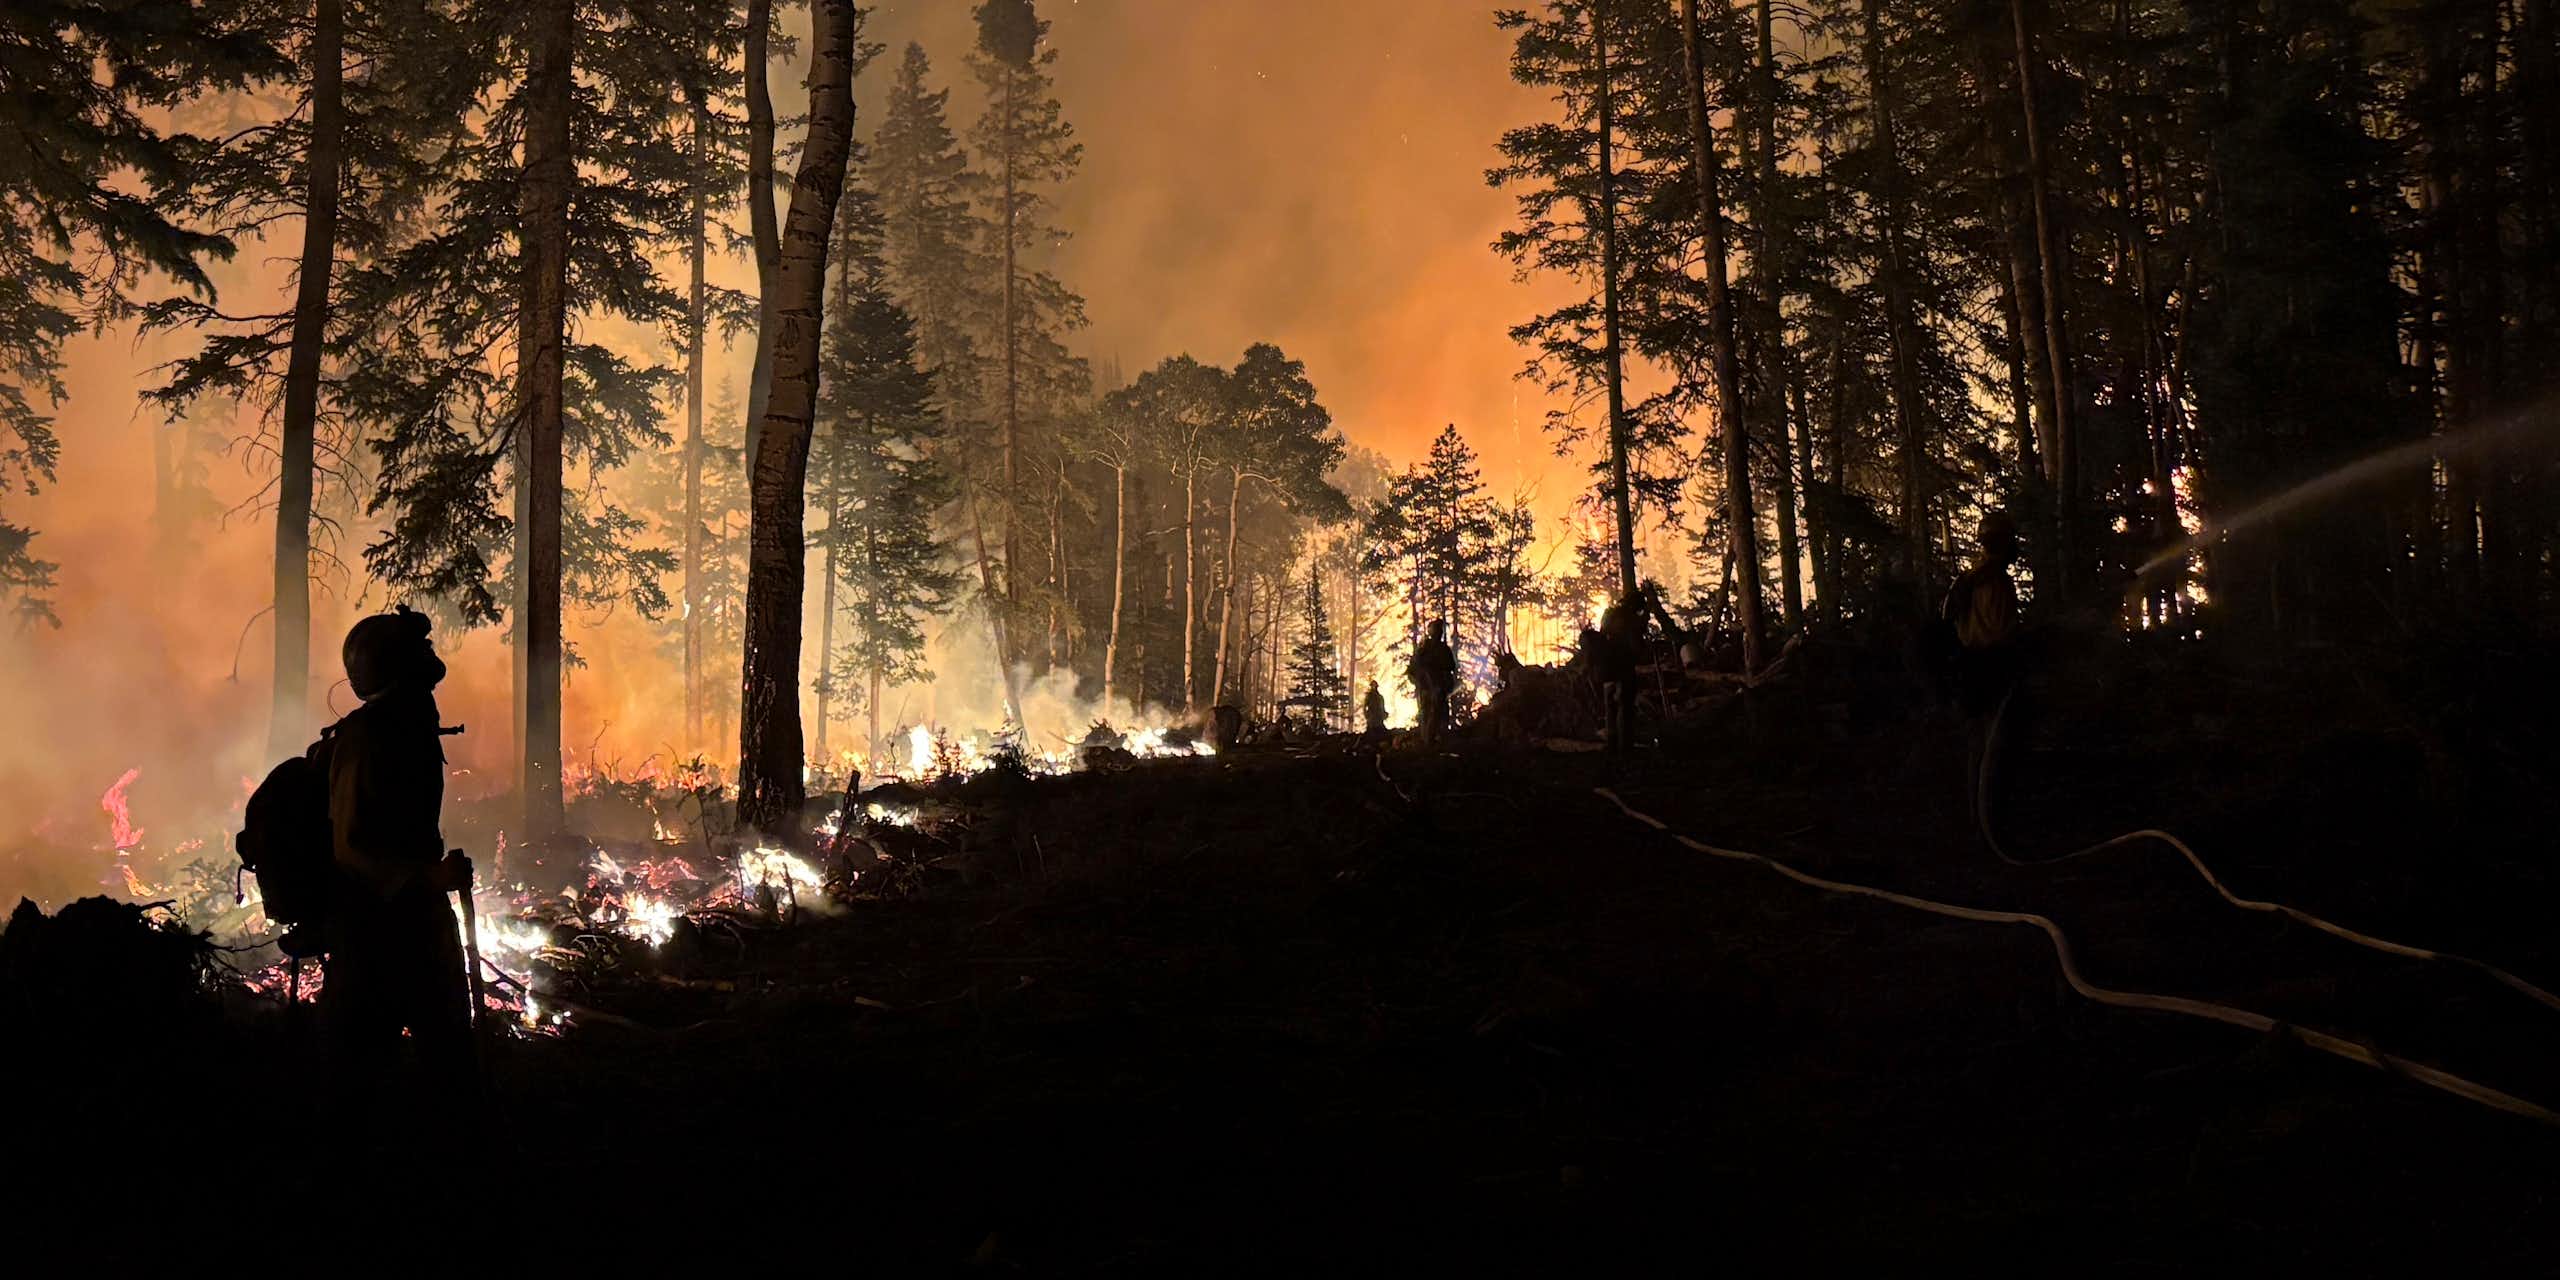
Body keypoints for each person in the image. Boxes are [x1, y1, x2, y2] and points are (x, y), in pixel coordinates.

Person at [322, 606, 476, 1121]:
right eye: (418, 648)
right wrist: (427, 877)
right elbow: (351, 847)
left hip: (416, 919)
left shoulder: (409, 724)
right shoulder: (367, 738)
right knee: (361, 1078)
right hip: (374, 932)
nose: (430, 654)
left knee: (448, 1061)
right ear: (396, 666)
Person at [1596, 588, 1648, 755]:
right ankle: (1624, 747)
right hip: (1624, 668)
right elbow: (1636, 646)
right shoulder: (1631, 620)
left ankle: (1611, 745)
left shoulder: (1610, 615)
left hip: (1606, 668)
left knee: (1610, 709)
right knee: (1624, 708)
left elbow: (1602, 635)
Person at [1408, 619, 1458, 745]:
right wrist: (1422, 682)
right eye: (1437, 631)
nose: (1439, 634)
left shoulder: (1441, 649)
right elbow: (1413, 669)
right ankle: (1429, 741)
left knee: (1439, 716)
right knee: (1429, 716)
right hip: (1428, 690)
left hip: (1438, 689)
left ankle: (1436, 740)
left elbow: (1451, 666)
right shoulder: (1425, 650)